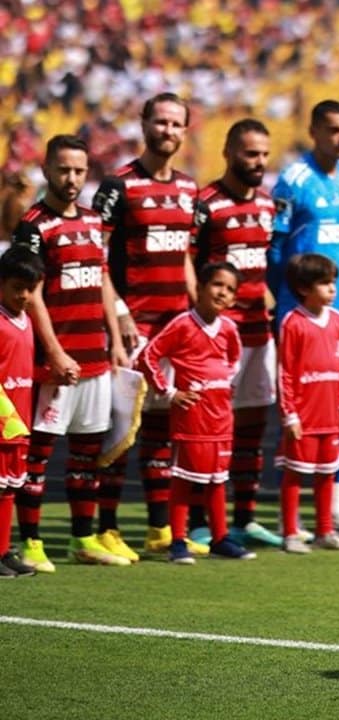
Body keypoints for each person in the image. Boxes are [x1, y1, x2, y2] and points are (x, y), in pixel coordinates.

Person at [13, 135, 131, 571]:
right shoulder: (32, 226)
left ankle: (82, 539)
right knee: (38, 456)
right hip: (55, 364)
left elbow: (100, 276)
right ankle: (31, 543)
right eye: (63, 169)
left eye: (79, 171)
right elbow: (32, 294)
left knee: (87, 454)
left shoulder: (93, 221)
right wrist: (55, 353)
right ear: (46, 169)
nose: (72, 178)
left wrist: (116, 336)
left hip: (96, 357)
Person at [92, 92, 200, 555]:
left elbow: (187, 258)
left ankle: (159, 529)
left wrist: (198, 317)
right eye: (160, 122)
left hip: (175, 331)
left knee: (162, 429)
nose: (168, 131)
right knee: (121, 431)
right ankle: (106, 527)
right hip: (134, 326)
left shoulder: (190, 189)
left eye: (177, 124)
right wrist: (118, 316)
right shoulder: (117, 187)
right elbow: (93, 258)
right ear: (143, 124)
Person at [268, 100, 339, 539]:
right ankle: (290, 516)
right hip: (301, 318)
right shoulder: (292, 181)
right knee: (300, 411)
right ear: (314, 130)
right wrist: (284, 301)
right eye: (334, 129)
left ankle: (336, 507)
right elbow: (276, 249)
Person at [192, 119, 283, 548]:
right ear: (229, 153)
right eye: (250, 154)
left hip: (257, 333)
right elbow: (188, 265)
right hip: (217, 336)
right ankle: (199, 520)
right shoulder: (206, 204)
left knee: (253, 424)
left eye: (264, 154)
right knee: (209, 426)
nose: (259, 162)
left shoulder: (268, 206)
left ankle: (245, 517)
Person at [138, 262, 256, 564]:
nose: (223, 293)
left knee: (218, 479)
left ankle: (220, 537)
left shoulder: (229, 328)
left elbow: (234, 360)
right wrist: (170, 392)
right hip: (192, 416)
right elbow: (149, 356)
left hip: (221, 416)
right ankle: (178, 540)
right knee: (184, 478)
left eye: (230, 289)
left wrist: (220, 382)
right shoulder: (182, 325)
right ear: (200, 288)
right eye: (217, 285)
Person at [276, 253, 339, 553]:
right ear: (304, 289)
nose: (332, 289)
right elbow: (284, 372)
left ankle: (325, 530)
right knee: (295, 472)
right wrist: (290, 415)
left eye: (333, 282)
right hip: (304, 414)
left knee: (327, 472)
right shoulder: (293, 323)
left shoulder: (338, 321)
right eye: (324, 283)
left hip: (330, 412)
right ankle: (291, 534)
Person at [0, 247, 42, 578]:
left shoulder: (26, 320)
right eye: (17, 287)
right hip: (3, 423)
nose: (23, 295)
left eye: (29, 288)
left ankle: (3, 551)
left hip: (21, 421)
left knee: (10, 487)